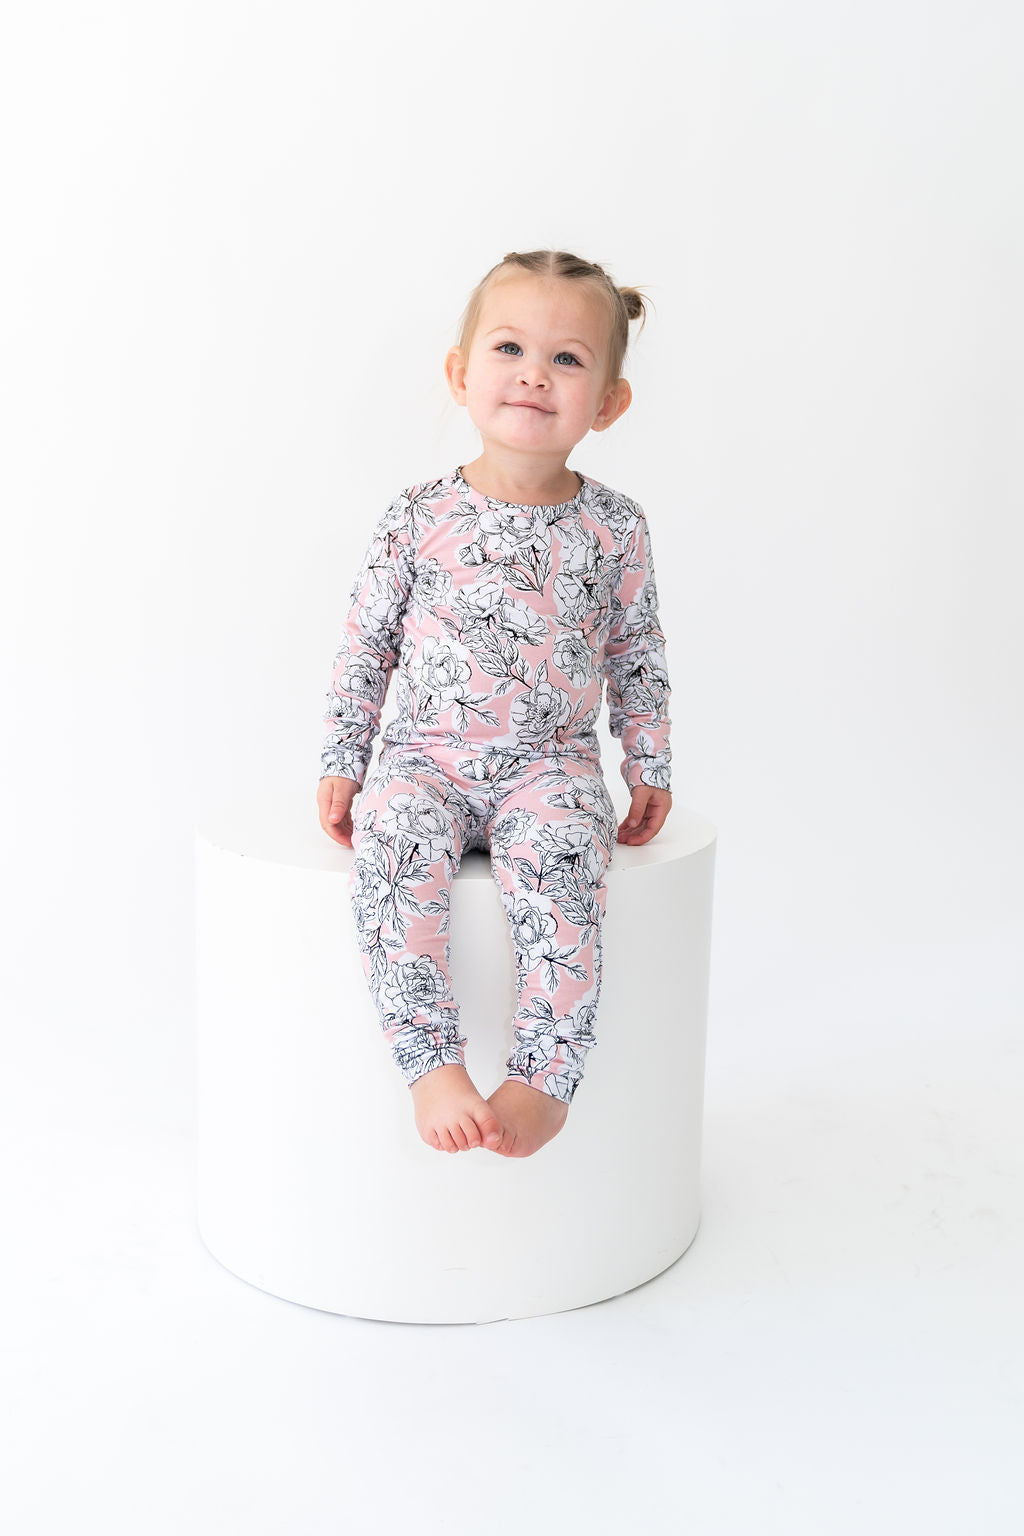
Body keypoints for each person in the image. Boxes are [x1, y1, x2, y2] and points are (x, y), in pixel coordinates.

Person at [315, 249, 673, 1160]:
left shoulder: (616, 527)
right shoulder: (416, 516)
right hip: (422, 763)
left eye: (567, 358)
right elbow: (366, 646)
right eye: (509, 347)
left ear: (608, 404)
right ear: (459, 373)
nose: (533, 374)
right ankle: (430, 1062)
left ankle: (544, 1077)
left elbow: (637, 654)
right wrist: (344, 760)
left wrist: (649, 764)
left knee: (565, 875)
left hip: (548, 770)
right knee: (393, 854)